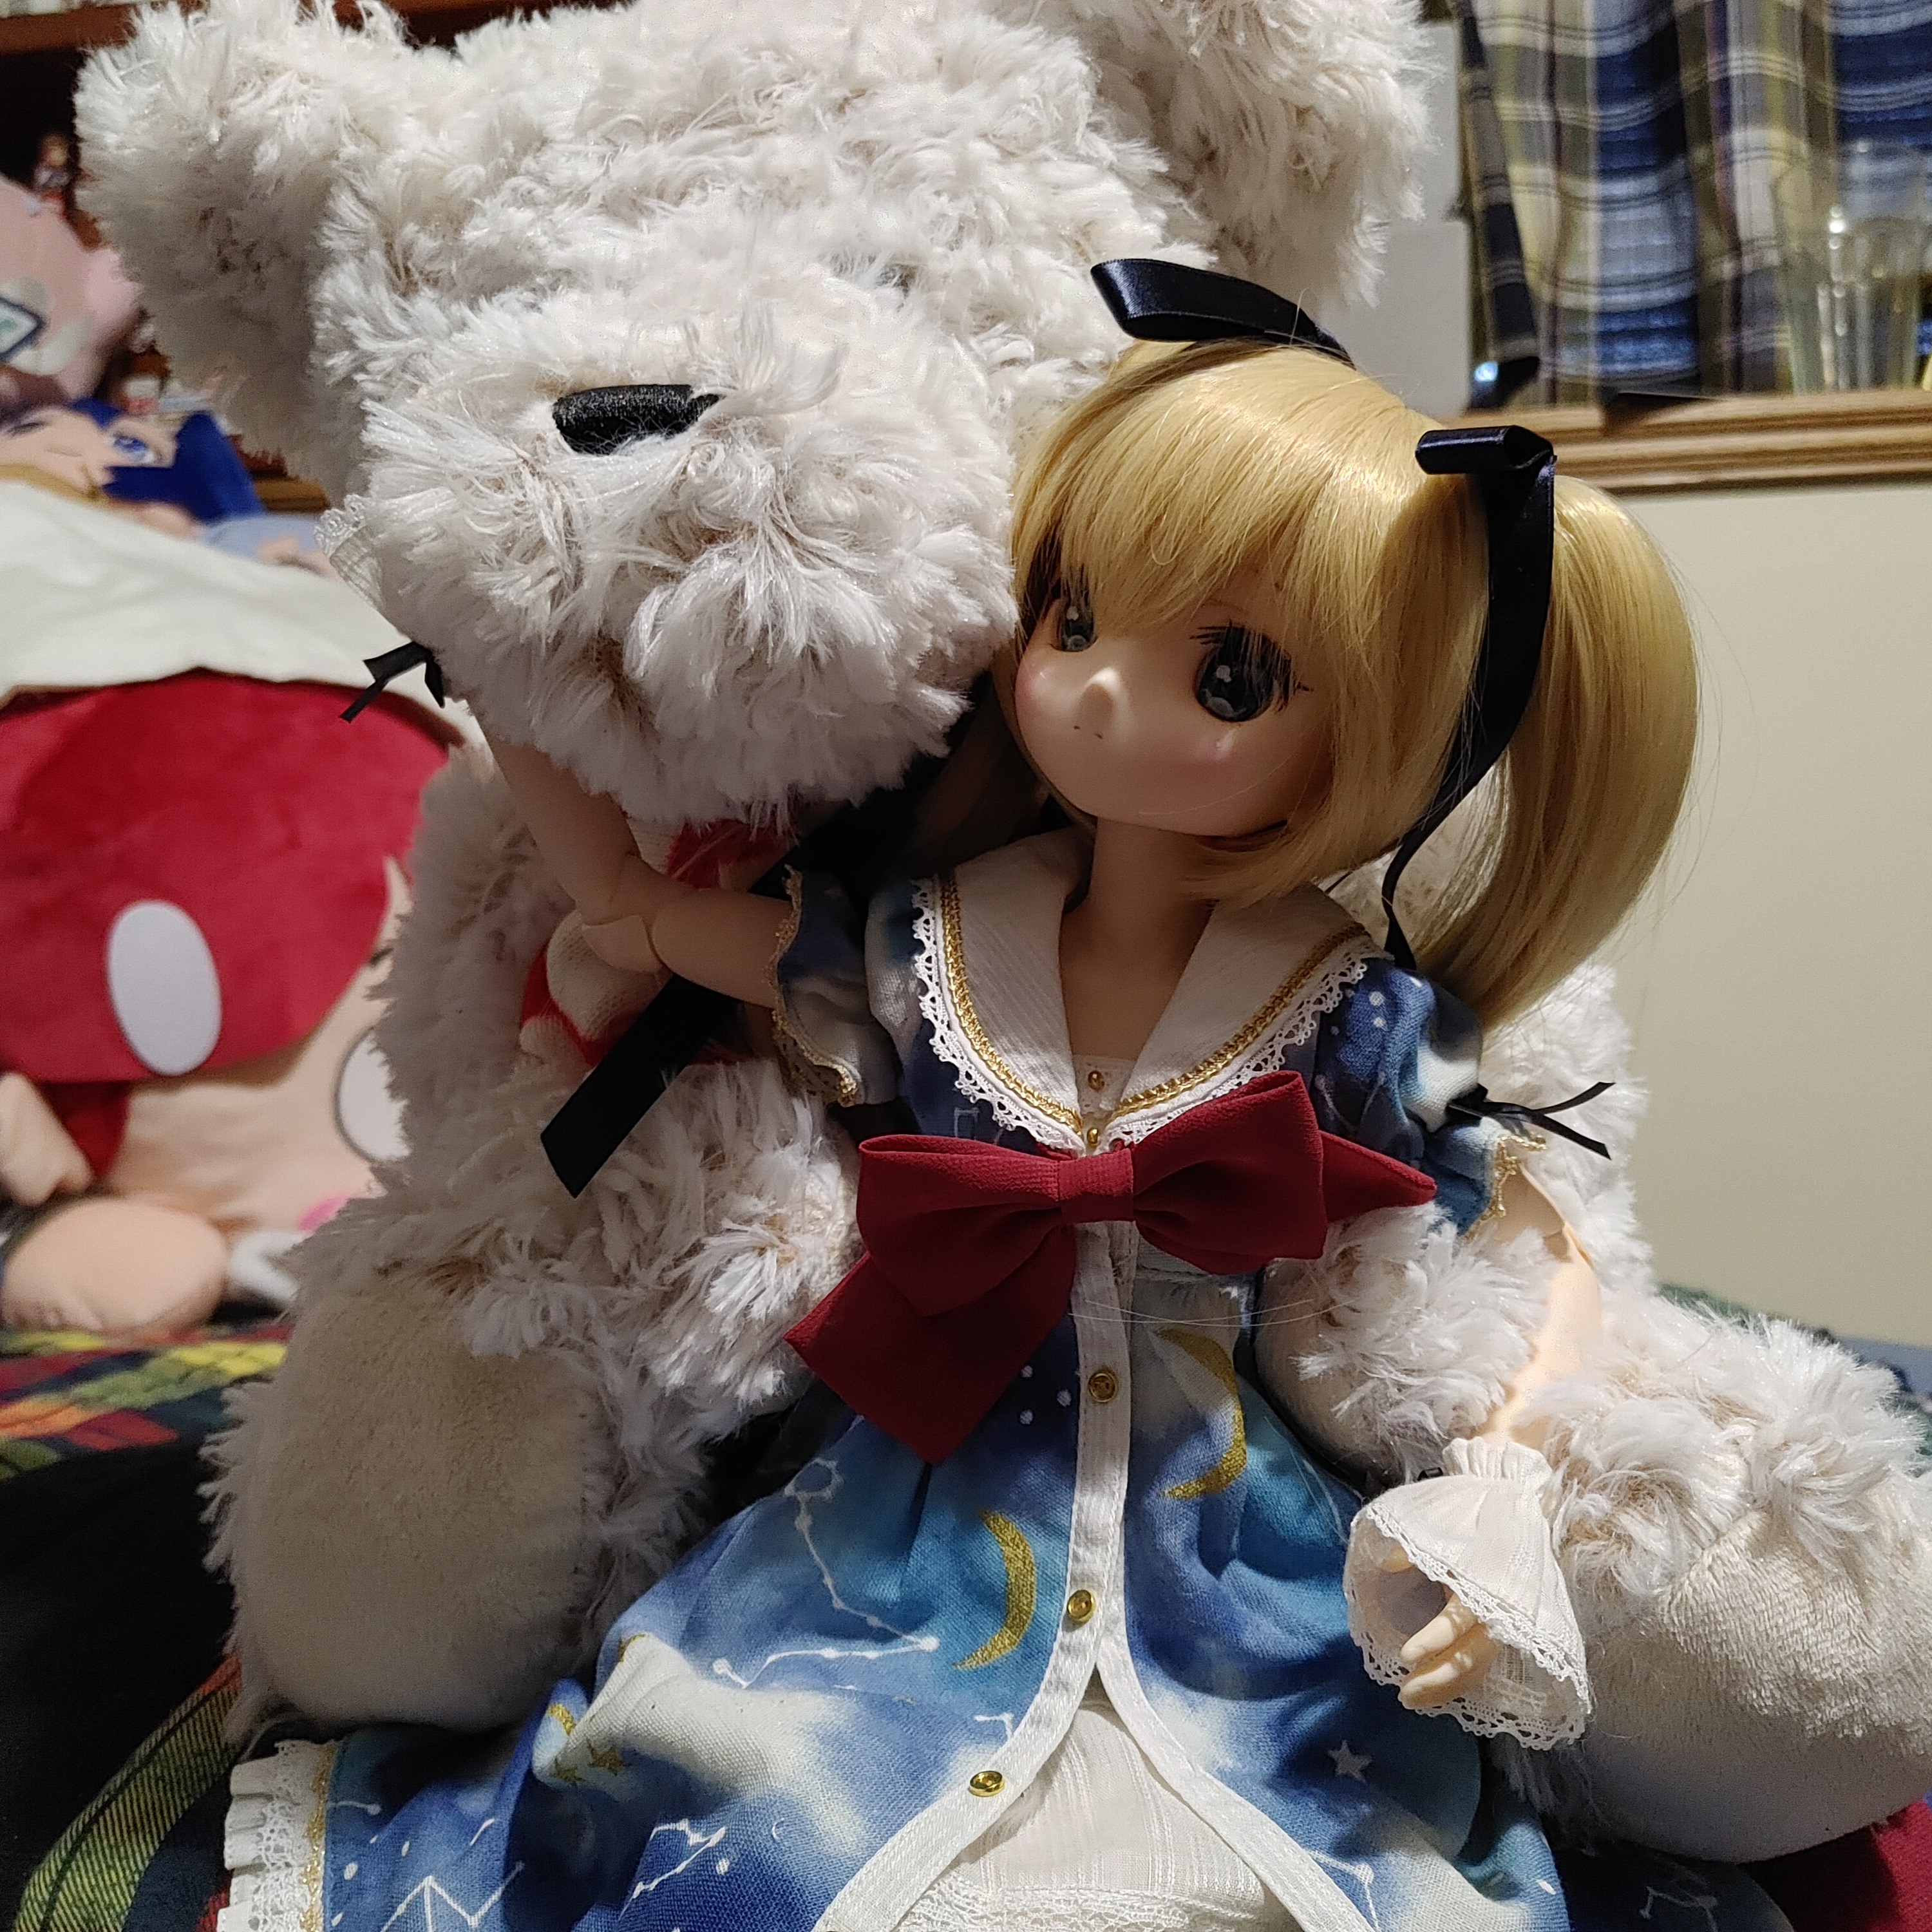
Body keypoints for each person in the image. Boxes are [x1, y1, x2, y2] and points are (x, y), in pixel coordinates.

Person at [265, 266, 1783, 1932]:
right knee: (755, 1793)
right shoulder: (928, 947)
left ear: (1384, 728)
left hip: (1237, 1556)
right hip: (913, 1515)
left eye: (1230, 676)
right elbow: (661, 913)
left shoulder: (1355, 1015)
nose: (1099, 688)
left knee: (1326, 1843)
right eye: (1071, 619)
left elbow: (1526, 1264)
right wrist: (516, 701)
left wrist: (1500, 1487)